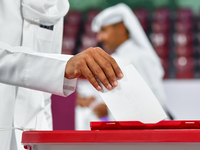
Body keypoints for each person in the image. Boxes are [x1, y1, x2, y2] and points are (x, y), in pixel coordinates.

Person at [0, 1, 123, 150]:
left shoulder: (56, 5)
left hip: (33, 136)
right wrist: (63, 66)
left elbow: (44, 98)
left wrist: (46, 140)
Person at [90, 3, 173, 120]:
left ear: (120, 28)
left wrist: (108, 109)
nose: (99, 38)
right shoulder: (116, 57)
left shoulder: (140, 57)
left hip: (148, 135)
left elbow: (156, 101)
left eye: (104, 30)